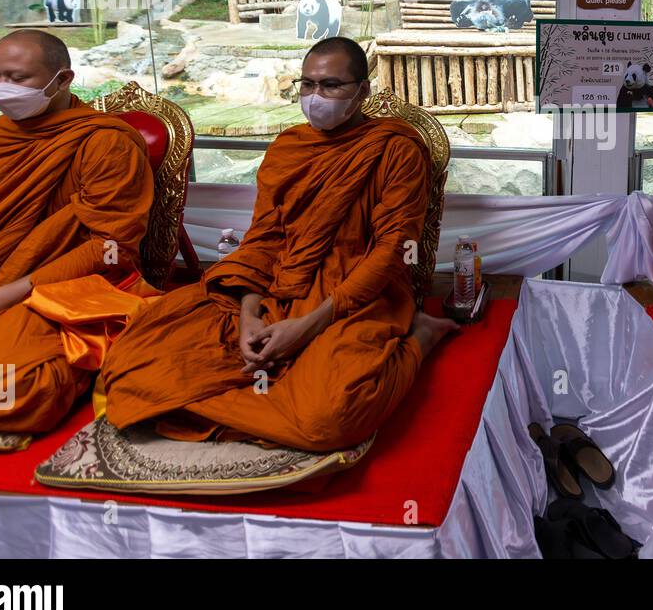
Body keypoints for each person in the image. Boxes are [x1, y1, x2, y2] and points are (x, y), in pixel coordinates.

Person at [102, 37, 457, 451]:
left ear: (362, 92)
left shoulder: (395, 150)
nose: (315, 97)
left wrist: (307, 327)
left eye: (331, 85)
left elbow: (392, 250)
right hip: (274, 285)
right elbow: (264, 238)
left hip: (355, 293)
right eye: (307, 85)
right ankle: (260, 407)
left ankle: (420, 337)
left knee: (327, 420)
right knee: (129, 367)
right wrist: (250, 316)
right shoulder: (289, 148)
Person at [0, 29, 154, 432]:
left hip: (76, 288)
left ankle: (78, 366)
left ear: (63, 80)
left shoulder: (106, 143)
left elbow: (110, 248)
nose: (0, 88)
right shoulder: (2, 136)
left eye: (18, 78)